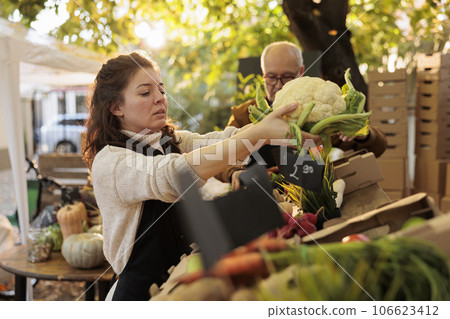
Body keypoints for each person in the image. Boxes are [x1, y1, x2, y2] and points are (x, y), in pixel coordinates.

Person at [82, 51, 304, 301]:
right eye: (146, 92)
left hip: (186, 283)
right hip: (141, 295)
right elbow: (171, 175)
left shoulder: (169, 140)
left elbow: (221, 140)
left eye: (161, 90)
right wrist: (255, 135)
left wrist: (280, 124)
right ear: (116, 106)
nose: (160, 99)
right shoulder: (110, 162)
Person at [220, 41, 387, 189]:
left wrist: (360, 134)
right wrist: (234, 173)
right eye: (271, 77)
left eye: (287, 77)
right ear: (263, 73)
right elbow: (218, 153)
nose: (278, 85)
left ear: (300, 72)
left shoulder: (316, 112)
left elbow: (378, 146)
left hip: (311, 199)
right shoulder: (243, 114)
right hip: (261, 197)